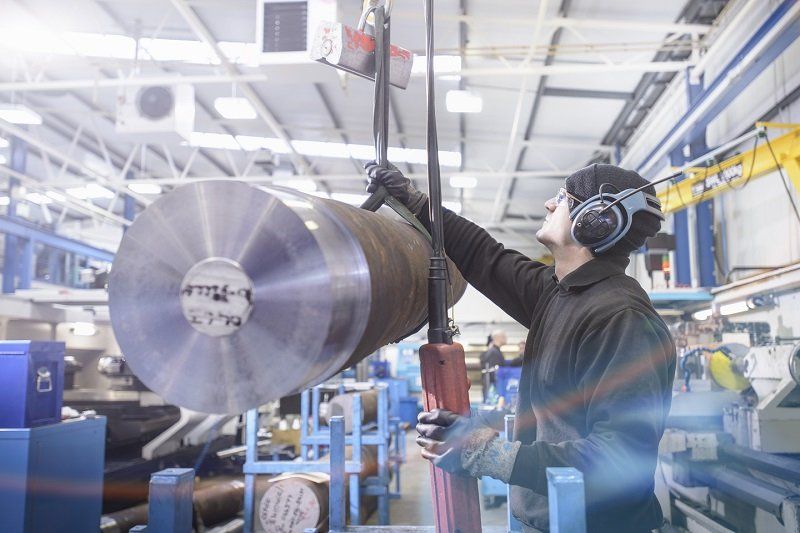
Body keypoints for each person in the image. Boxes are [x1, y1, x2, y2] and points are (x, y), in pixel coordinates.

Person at [365, 162, 676, 532]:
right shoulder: (559, 293)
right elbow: (484, 257)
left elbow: (620, 456)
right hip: (551, 519)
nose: (548, 203)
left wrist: (488, 453)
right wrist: (415, 202)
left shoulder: (620, 319)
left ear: (594, 221)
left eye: (562, 198)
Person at [480, 329, 507, 402]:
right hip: (494, 392)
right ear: (497, 337)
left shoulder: (495, 351)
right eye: (504, 336)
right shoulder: (493, 352)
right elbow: (493, 374)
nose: (506, 338)